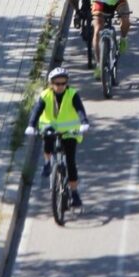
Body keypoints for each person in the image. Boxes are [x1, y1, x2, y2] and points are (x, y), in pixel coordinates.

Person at [25, 68, 91, 207]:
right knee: (47, 140)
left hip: (69, 131)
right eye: (57, 83)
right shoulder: (45, 95)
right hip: (51, 127)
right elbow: (37, 110)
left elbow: (80, 109)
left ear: (67, 83)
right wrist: (31, 125)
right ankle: (47, 163)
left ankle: (74, 193)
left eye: (63, 83)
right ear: (51, 84)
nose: (60, 86)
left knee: (71, 161)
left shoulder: (72, 94)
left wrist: (84, 122)